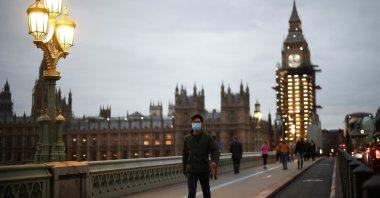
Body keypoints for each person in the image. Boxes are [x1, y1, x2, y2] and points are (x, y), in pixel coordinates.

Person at [183, 114, 216, 198]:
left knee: (206, 190)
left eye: (198, 122)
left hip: (203, 168)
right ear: (192, 124)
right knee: (192, 191)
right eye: (194, 122)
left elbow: (214, 150)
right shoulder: (187, 138)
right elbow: (185, 154)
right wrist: (184, 169)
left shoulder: (207, 137)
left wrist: (213, 160)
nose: (196, 124)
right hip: (191, 169)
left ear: (201, 124)